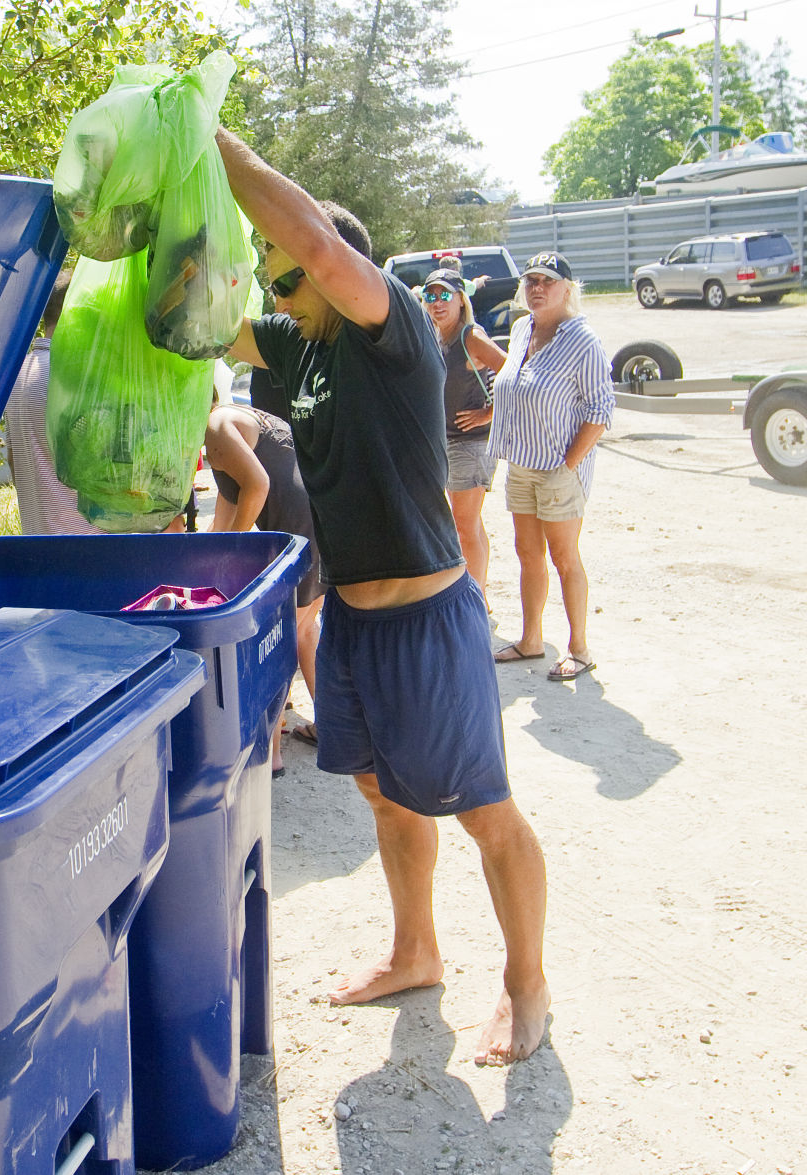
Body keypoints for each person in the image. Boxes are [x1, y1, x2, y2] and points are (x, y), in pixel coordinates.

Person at [215, 126, 550, 1065]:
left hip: (428, 618)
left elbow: (317, 242)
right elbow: (194, 320)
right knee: (381, 793)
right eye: (271, 277)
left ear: (336, 269)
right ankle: (416, 951)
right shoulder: (296, 344)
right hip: (355, 623)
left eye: (285, 272)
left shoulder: (391, 328)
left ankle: (526, 985)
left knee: (482, 809)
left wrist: (212, 141)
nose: (276, 288)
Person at [486, 251, 614, 682]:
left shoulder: (583, 339)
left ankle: (579, 648)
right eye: (531, 280)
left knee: (563, 556)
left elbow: (600, 409)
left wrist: (569, 462)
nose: (537, 288)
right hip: (522, 462)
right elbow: (512, 386)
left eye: (548, 281)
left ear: (568, 290)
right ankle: (531, 639)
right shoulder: (522, 329)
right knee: (527, 553)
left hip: (559, 468)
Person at [202, 399, 323, 771]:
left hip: (303, 519)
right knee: (304, 630)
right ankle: (330, 728)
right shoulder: (227, 433)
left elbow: (258, 487)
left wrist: (235, 554)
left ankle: (271, 754)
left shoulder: (217, 423)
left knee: (281, 636)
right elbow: (224, 518)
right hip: (320, 513)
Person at [419, 266, 509, 596]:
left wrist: (489, 412)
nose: (437, 302)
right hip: (444, 442)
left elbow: (513, 373)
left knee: (463, 524)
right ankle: (479, 595)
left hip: (471, 443)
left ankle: (474, 598)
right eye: (431, 295)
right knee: (467, 522)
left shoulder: (471, 336)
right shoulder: (431, 334)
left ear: (461, 299)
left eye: (445, 295)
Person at [5, 269, 101, 535]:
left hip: (38, 546)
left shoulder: (17, 375)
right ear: (78, 311)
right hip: (87, 548)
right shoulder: (75, 376)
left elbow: (14, 462)